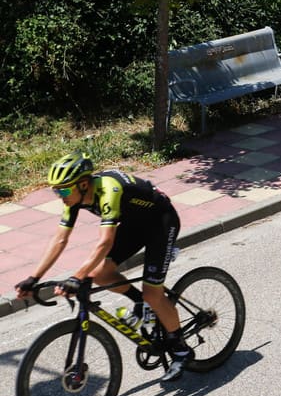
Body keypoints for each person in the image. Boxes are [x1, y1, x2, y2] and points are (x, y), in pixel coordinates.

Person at [15, 153, 193, 382]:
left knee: (153, 293)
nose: (61, 196)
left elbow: (105, 242)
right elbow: (60, 240)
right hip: (134, 224)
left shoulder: (109, 189)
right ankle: (141, 303)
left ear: (83, 184)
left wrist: (76, 277)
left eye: (64, 191)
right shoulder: (74, 199)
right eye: (56, 191)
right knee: (100, 274)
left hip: (161, 222)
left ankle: (181, 349)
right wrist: (33, 277)